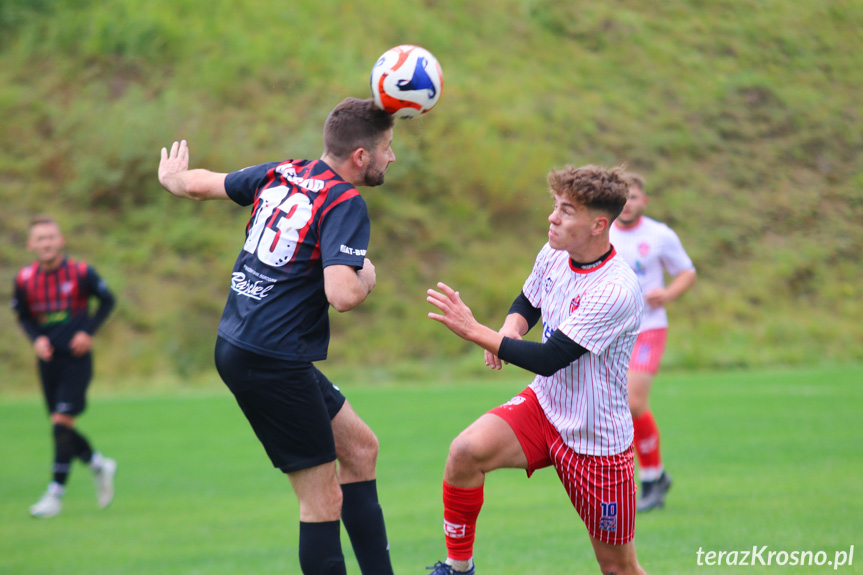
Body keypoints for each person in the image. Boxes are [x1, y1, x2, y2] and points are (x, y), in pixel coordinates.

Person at [157, 97, 397, 575]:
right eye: (388, 148)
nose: (392, 157)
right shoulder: (345, 202)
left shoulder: (285, 171)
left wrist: (174, 180)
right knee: (321, 497)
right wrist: (367, 273)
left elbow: (206, 185)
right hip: (270, 360)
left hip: (251, 347)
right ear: (361, 157)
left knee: (360, 448)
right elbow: (343, 294)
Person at [425, 165, 647, 575]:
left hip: (595, 441)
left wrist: (477, 332)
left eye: (566, 210)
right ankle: (458, 569)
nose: (552, 217)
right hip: (545, 407)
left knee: (618, 568)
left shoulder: (615, 290)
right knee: (464, 452)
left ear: (599, 224)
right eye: (555, 205)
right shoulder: (554, 253)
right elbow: (529, 301)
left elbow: (550, 358)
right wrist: (510, 327)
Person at [11, 215, 117, 518]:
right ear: (31, 245)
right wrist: (36, 339)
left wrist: (88, 331)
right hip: (48, 362)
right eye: (40, 239)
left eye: (51, 237)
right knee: (61, 427)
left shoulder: (81, 272)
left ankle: (55, 495)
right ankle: (98, 464)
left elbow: (107, 301)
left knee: (61, 422)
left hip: (76, 360)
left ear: (61, 241)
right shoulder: (24, 279)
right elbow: (23, 315)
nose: (46, 243)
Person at [609, 172, 696, 512]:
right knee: (619, 407)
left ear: (643, 201)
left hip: (648, 328)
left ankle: (650, 479)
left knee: (632, 403)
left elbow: (687, 271)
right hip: (612, 332)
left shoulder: (659, 234)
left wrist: (669, 293)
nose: (628, 203)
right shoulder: (603, 232)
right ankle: (655, 477)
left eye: (634, 197)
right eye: (623, 197)